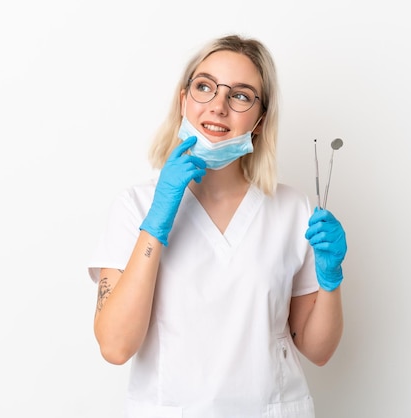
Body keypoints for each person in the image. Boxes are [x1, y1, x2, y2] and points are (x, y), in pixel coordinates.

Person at [87, 34, 347, 418]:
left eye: (240, 95)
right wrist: (156, 223)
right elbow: (115, 347)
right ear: (183, 101)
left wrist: (330, 280)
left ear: (260, 120)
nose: (218, 106)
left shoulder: (292, 209)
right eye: (204, 87)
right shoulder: (135, 206)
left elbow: (318, 350)